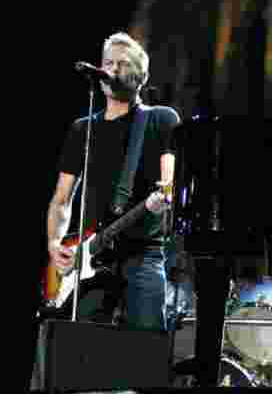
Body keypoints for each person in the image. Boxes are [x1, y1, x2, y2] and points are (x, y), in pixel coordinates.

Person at [45, 32, 181, 332]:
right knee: (77, 355)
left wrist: (163, 199)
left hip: (143, 255)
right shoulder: (83, 130)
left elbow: (168, 184)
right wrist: (56, 244)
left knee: (145, 353)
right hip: (89, 258)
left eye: (123, 64)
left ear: (142, 77)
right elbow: (61, 200)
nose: (113, 70)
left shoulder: (161, 119)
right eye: (108, 63)